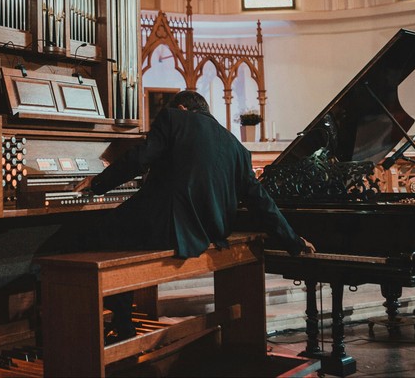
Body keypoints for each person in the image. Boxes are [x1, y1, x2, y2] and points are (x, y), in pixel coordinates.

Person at [74, 90, 315, 343]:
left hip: (167, 227)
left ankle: (117, 326)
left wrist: (97, 183)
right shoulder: (236, 146)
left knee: (95, 234)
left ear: (181, 107)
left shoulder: (172, 118)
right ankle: (122, 322)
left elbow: (139, 158)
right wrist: (293, 240)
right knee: (118, 232)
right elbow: (260, 200)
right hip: (211, 231)